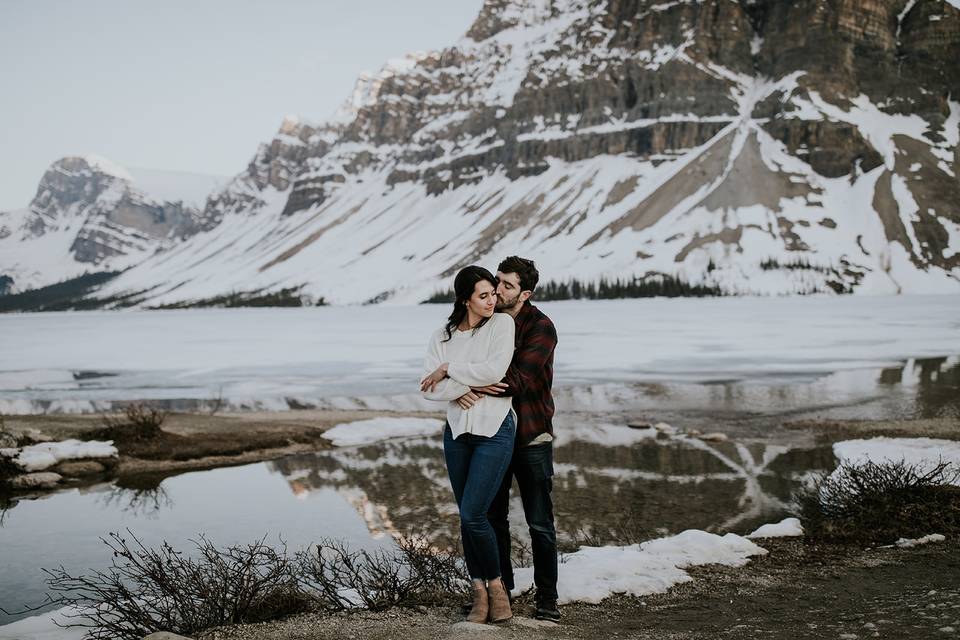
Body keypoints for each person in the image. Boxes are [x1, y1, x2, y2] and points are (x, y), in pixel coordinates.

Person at [455, 256, 560, 622]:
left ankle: (548, 598)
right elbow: (459, 355)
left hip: (530, 435)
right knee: (491, 517)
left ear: (525, 293)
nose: (498, 290)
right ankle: (503, 593)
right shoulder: (486, 322)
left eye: (508, 285)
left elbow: (514, 381)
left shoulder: (541, 327)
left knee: (539, 522)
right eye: (497, 281)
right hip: (491, 435)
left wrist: (461, 382)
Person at [419, 265, 517, 624]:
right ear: (465, 300)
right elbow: (429, 389)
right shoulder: (441, 336)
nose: (494, 300)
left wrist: (449, 371)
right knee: (466, 516)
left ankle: (496, 588)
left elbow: (495, 372)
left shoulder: (502, 325)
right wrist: (463, 386)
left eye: (494, 293)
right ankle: (478, 589)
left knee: (475, 513)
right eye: (484, 295)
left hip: (495, 428)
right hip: (458, 432)